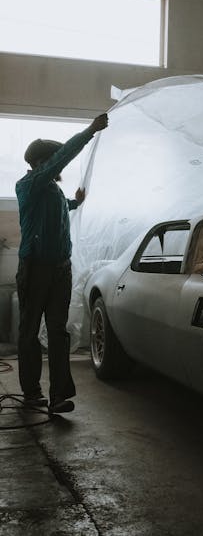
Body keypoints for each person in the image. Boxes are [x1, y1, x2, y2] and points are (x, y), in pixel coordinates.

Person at [15, 113, 109, 414]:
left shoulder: (51, 190)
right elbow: (62, 158)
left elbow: (57, 208)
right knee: (30, 332)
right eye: (53, 159)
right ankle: (32, 393)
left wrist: (75, 203)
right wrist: (90, 131)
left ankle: (58, 396)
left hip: (60, 269)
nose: (56, 165)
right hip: (35, 267)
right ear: (41, 162)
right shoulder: (28, 184)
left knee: (58, 330)